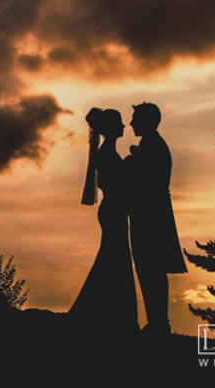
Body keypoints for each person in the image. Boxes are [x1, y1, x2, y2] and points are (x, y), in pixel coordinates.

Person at [69, 107, 138, 338]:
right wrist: (131, 165)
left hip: (114, 210)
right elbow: (116, 183)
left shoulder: (107, 151)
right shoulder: (107, 153)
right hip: (113, 211)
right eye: (119, 123)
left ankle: (108, 312)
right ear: (110, 128)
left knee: (114, 258)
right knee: (116, 257)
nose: (124, 126)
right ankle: (109, 314)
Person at [125, 102, 187, 337]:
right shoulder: (150, 145)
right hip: (150, 214)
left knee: (151, 267)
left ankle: (159, 323)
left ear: (147, 121)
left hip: (151, 216)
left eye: (135, 118)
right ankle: (158, 321)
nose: (131, 123)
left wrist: (132, 163)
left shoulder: (153, 146)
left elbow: (146, 182)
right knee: (149, 267)